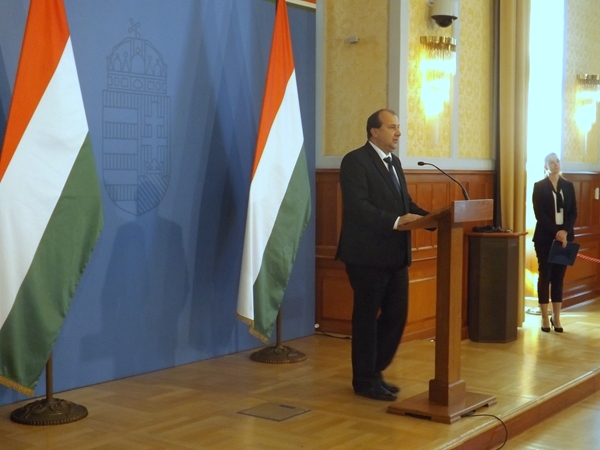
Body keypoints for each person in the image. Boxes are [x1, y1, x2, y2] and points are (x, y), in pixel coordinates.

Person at [336, 109, 429, 401]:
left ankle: (374, 371)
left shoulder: (394, 162)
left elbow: (405, 202)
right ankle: (364, 380)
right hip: (366, 256)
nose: (398, 132)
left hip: (395, 255)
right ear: (374, 132)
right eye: (392, 127)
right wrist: (396, 221)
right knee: (366, 319)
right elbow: (357, 206)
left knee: (396, 316)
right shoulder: (355, 161)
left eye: (398, 127)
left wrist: (432, 218)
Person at [532, 152, 577, 333]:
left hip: (564, 239)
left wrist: (564, 231)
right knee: (545, 276)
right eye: (551, 162)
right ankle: (544, 317)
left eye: (557, 161)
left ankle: (556, 317)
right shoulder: (539, 186)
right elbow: (540, 214)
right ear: (546, 167)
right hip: (545, 238)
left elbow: (573, 212)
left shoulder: (568, 186)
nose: (556, 164)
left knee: (559, 278)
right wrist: (555, 232)